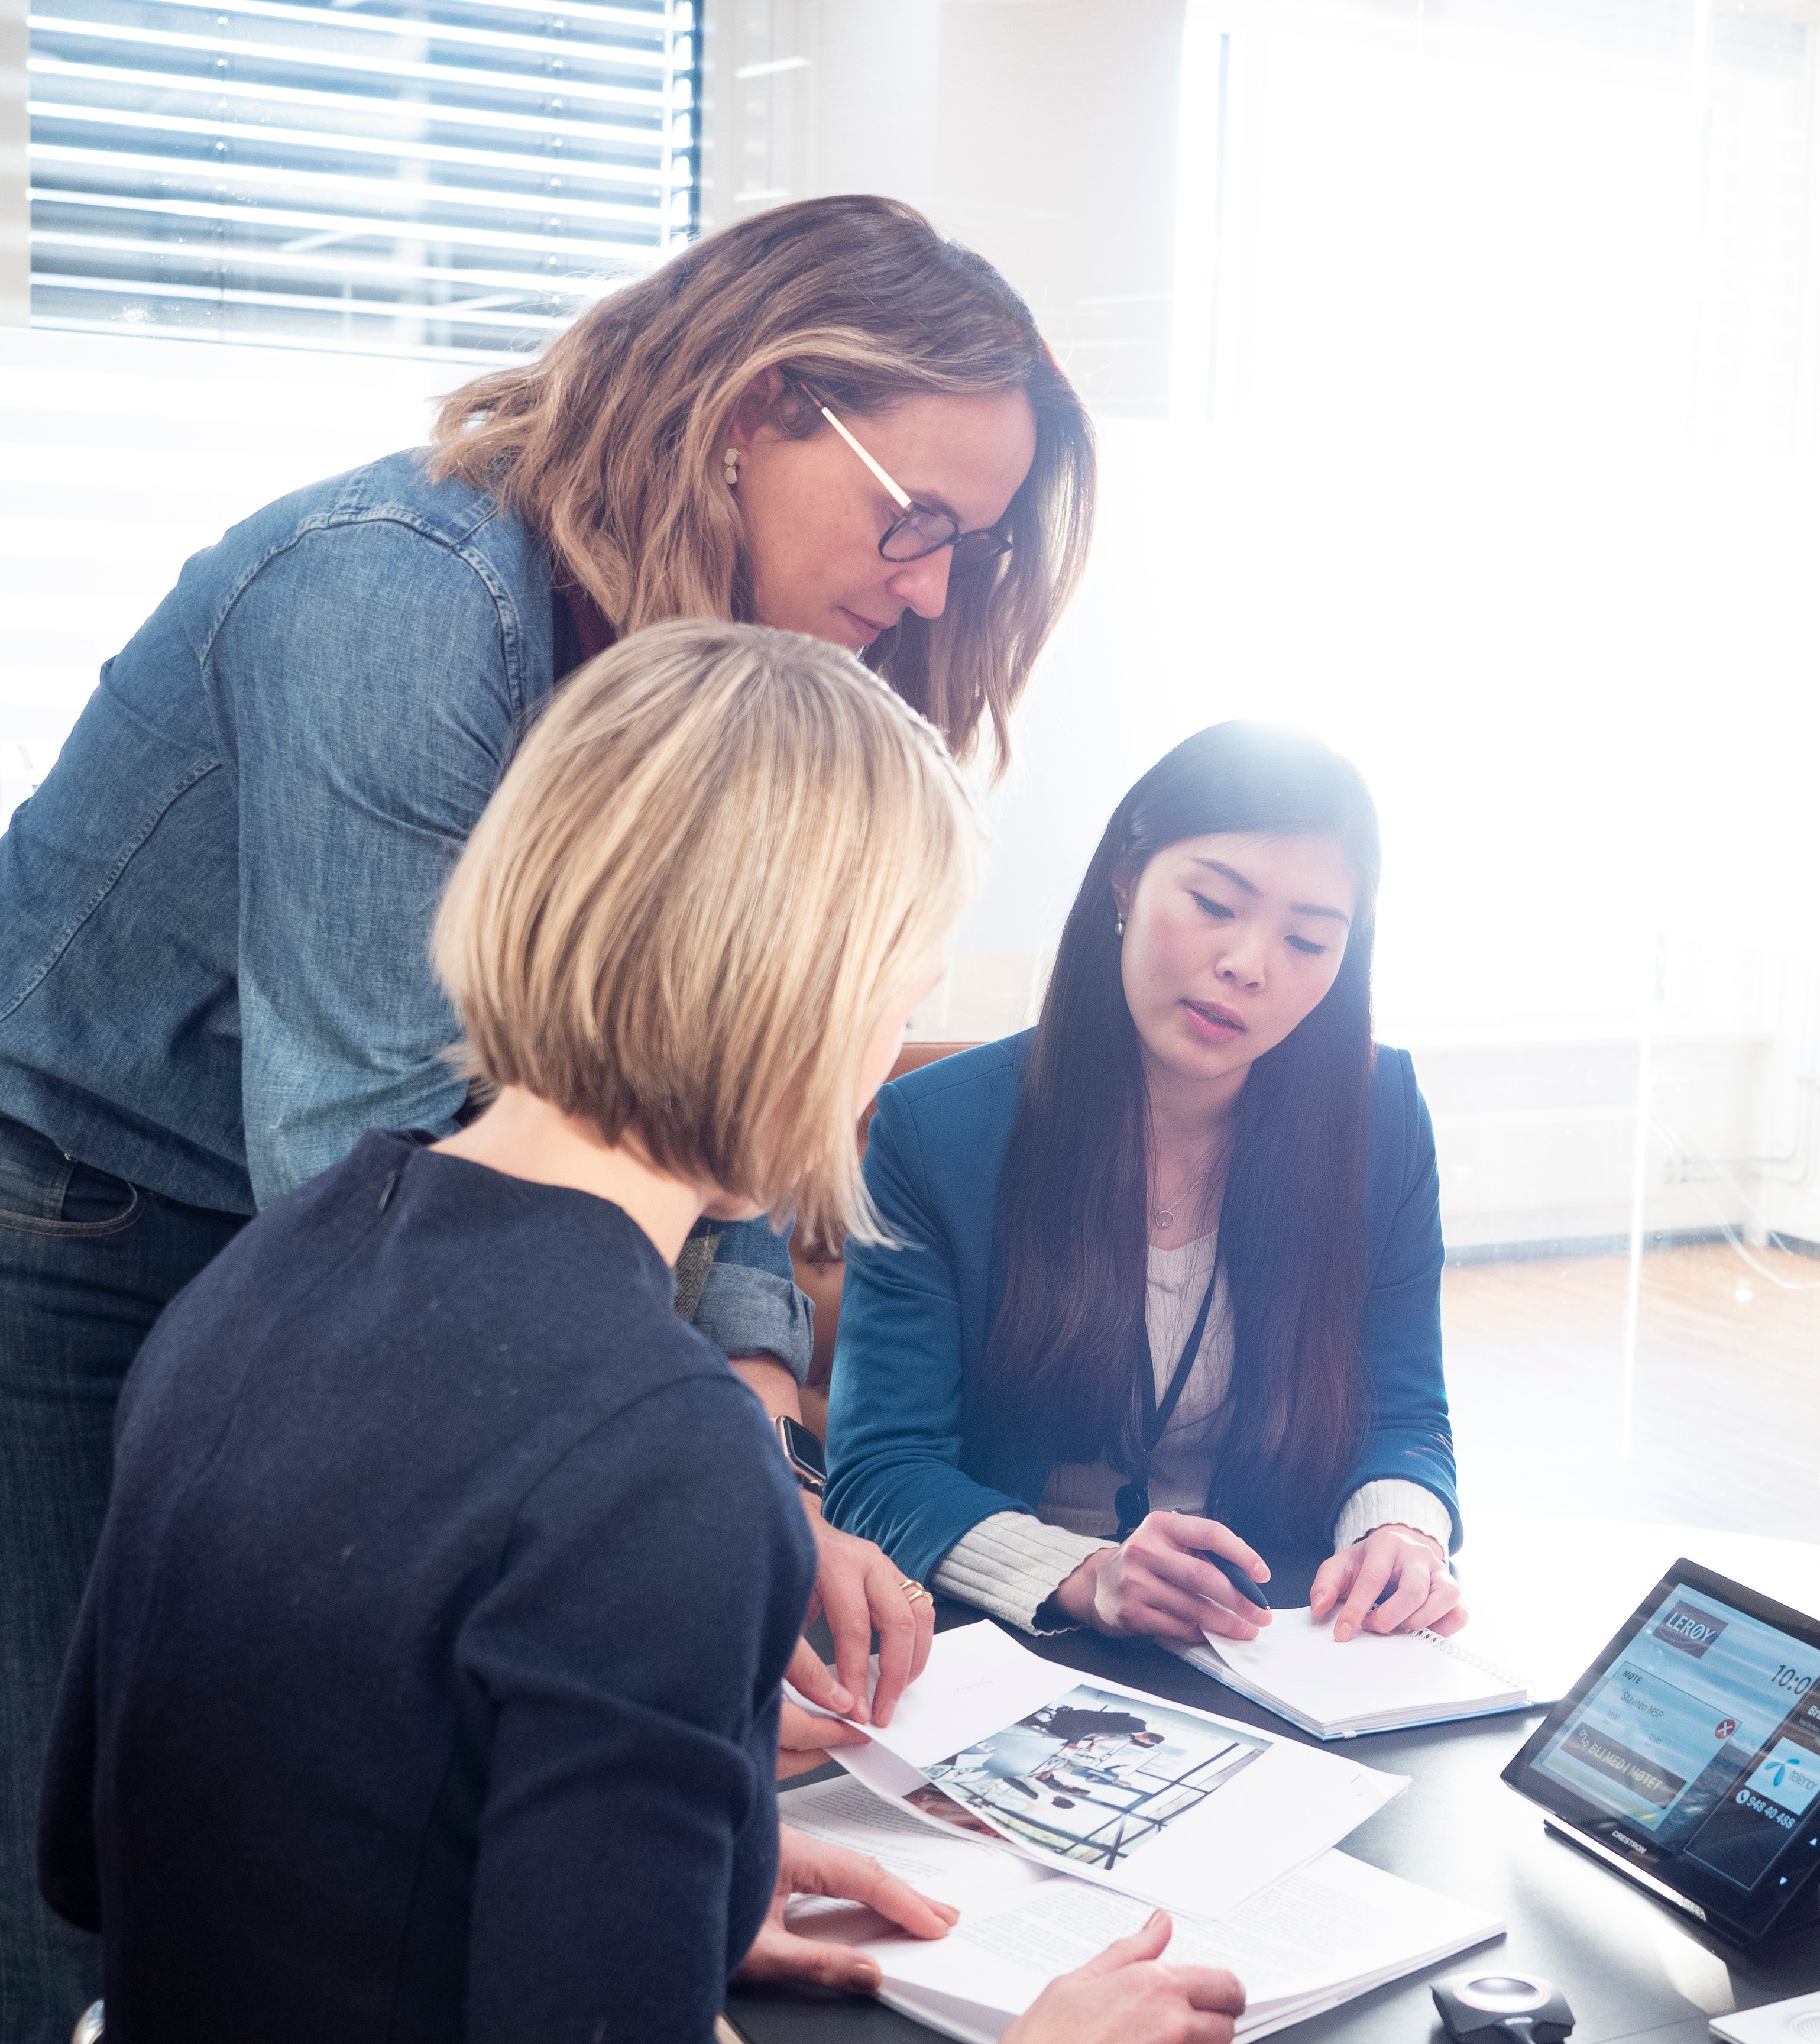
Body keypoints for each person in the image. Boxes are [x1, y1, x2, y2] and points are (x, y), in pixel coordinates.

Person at [0, 193, 1094, 2037]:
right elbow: (374, 1150)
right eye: (917, 522)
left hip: (300, 1263)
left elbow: (617, 1104)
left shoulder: (284, 1322)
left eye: (968, 553)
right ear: (759, 409)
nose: (929, 587)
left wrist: (733, 1484)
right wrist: (691, 1519)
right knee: (75, 1945)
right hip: (83, 1214)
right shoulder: (394, 596)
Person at [38, 621, 1242, 2044]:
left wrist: (670, 1887)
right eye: (901, 994)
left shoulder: (268, 1268)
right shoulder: (668, 1453)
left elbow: (91, 1852)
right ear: (810, 994)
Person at [826, 723, 1465, 1648]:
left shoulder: (1381, 1116)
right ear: (1125, 883)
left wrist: (1399, 1530)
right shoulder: (938, 1131)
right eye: (1213, 903)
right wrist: (1087, 1575)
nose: (1249, 963)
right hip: (1017, 1644)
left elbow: (1402, 1412)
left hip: (1283, 1637)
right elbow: (882, 1470)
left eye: (1308, 940)